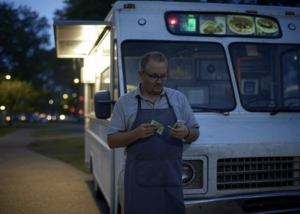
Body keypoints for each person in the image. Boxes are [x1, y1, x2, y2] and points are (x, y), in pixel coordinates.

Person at [107, 51, 200, 214]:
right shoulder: (124, 103)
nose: (159, 82)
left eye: (163, 76)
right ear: (141, 74)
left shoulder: (178, 99)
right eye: (154, 76)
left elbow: (195, 133)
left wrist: (186, 132)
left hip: (171, 181)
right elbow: (112, 140)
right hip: (138, 183)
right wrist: (135, 134)